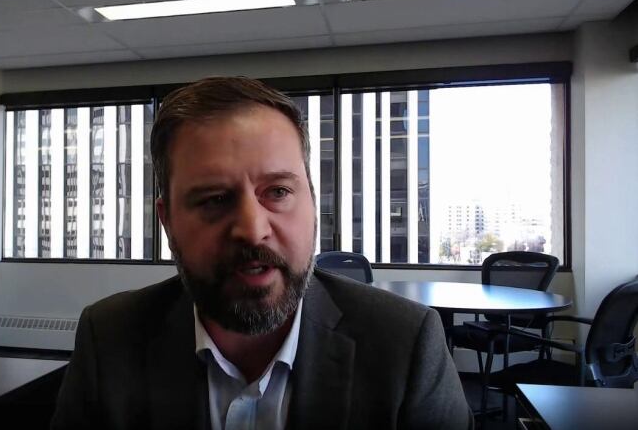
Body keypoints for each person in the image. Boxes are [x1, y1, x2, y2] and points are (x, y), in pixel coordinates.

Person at [51, 77, 473, 429]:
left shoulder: (404, 346)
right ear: (168, 220)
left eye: (278, 192)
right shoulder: (109, 339)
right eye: (214, 199)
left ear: (311, 202)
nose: (253, 230)